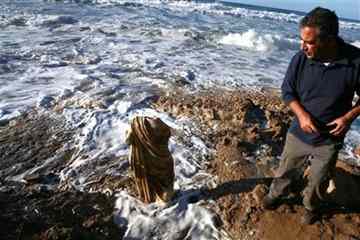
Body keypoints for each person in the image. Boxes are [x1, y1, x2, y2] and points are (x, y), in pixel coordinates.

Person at [262, 7, 360, 224]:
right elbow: (287, 91)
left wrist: (348, 118)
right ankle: (275, 195)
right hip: (299, 132)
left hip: (330, 139)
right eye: (301, 40)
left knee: (318, 180)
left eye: (310, 42)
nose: (302, 46)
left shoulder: (356, 61)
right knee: (286, 171)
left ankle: (310, 206)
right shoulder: (300, 59)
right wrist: (303, 116)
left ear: (330, 40)